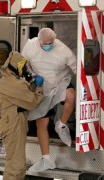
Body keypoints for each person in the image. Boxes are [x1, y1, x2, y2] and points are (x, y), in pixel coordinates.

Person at [21, 28, 77, 173]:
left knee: (71, 95)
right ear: (38, 40)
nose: (47, 45)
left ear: (55, 39)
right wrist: (31, 75)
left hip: (59, 82)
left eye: (50, 42)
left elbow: (77, 68)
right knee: (42, 122)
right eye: (44, 43)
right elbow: (22, 64)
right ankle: (46, 159)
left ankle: (61, 124)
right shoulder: (30, 46)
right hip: (41, 87)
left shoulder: (63, 50)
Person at [0, 51, 44, 180]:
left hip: (13, 122)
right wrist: (39, 87)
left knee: (19, 164)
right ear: (16, 66)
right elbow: (33, 102)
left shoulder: (11, 80)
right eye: (23, 66)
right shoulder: (13, 84)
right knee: (15, 165)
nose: (25, 69)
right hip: (13, 124)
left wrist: (29, 81)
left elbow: (22, 93)